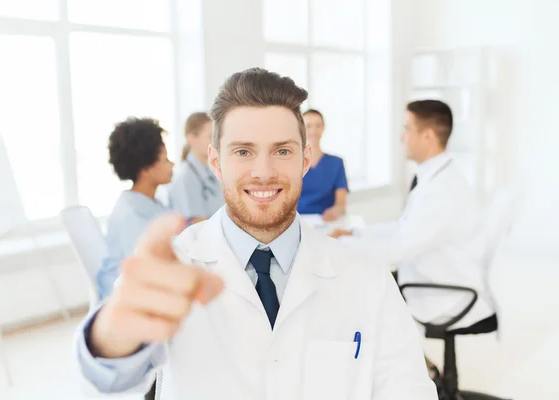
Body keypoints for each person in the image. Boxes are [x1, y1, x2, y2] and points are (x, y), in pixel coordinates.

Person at [75, 69, 437, 400]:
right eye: (244, 152)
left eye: (282, 151)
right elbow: (110, 378)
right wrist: (111, 336)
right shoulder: (178, 266)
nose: (263, 172)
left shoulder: (369, 281)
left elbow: (410, 390)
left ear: (305, 159)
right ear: (216, 162)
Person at [331, 100, 495, 330]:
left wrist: (342, 244)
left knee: (351, 289)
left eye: (407, 128)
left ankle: (389, 362)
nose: (401, 137)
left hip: (442, 292)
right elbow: (404, 227)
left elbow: (397, 251)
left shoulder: (442, 191)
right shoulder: (435, 178)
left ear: (427, 136)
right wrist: (355, 233)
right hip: (433, 275)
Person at [96, 117, 174, 301]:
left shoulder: (148, 201)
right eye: (165, 159)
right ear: (145, 169)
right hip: (127, 296)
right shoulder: (133, 214)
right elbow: (149, 271)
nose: (172, 165)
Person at [168, 112, 225, 220]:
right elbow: (197, 224)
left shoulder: (210, 172)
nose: (216, 142)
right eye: (211, 136)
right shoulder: (185, 177)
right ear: (191, 138)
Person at [297, 109, 348, 221]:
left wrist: (336, 211)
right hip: (297, 224)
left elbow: (341, 203)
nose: (313, 131)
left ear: (323, 128)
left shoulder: (336, 163)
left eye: (318, 126)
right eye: (308, 126)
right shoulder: (292, 163)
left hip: (326, 223)